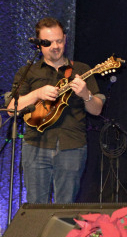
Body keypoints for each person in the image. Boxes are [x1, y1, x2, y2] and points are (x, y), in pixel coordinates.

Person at [7, 17, 104, 203]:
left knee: (65, 208)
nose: (55, 46)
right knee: (36, 207)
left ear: (65, 39)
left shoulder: (81, 70)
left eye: (59, 40)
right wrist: (37, 93)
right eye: (49, 42)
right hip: (36, 145)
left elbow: (97, 110)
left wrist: (86, 94)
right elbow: (12, 109)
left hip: (72, 147)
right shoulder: (28, 72)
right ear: (39, 45)